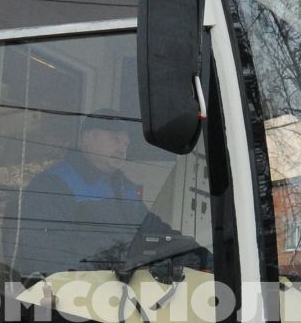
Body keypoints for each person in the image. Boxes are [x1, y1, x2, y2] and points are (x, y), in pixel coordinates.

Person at [16, 110, 201, 278]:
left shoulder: (124, 187)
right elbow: (43, 253)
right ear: (87, 139)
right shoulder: (53, 185)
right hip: (73, 298)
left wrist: (193, 253)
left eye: (126, 144)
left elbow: (151, 231)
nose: (122, 149)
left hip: (119, 292)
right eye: (115, 139)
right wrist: (111, 264)